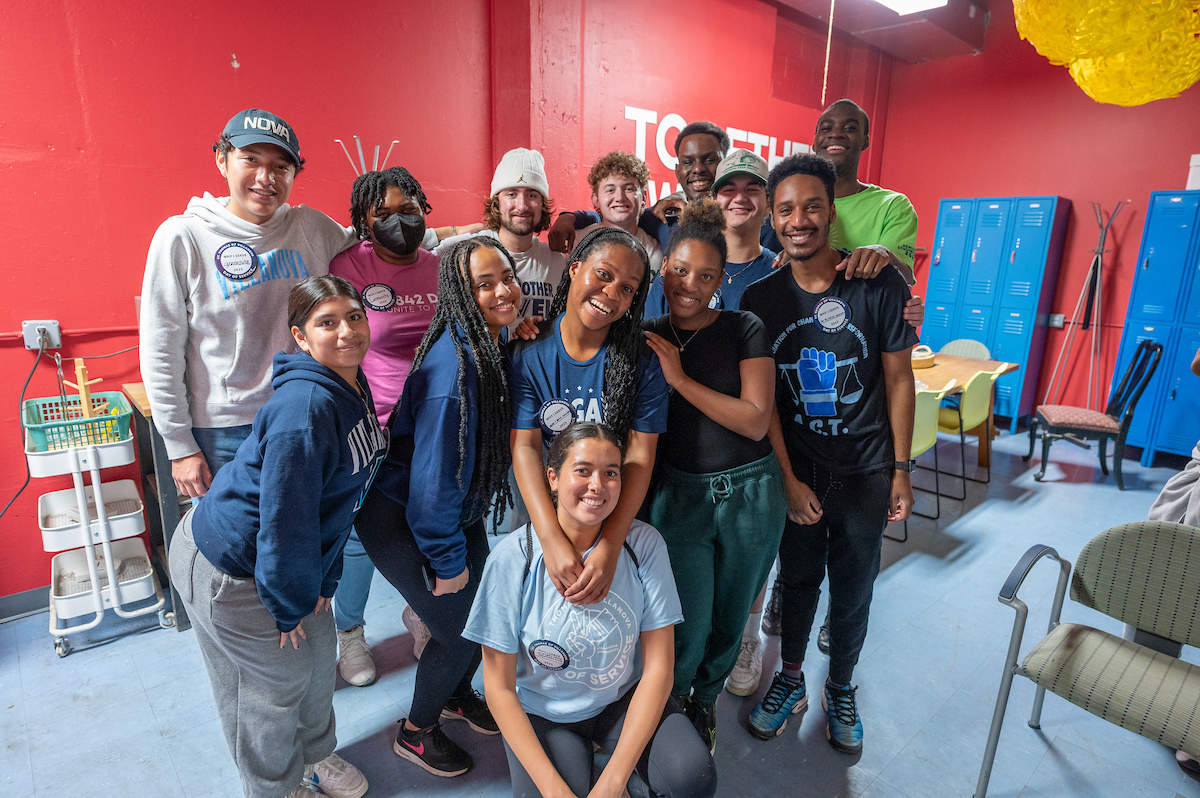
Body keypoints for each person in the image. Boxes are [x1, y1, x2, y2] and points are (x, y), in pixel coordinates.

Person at [167, 275, 387, 798]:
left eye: (354, 317)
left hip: (284, 558)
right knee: (271, 689)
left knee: (317, 664)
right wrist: (289, 606)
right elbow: (286, 524)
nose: (347, 331)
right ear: (301, 337)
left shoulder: (350, 382)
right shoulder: (304, 410)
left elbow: (338, 501)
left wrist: (325, 579)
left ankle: (314, 756)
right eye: (327, 322)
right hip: (229, 567)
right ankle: (275, 788)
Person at [739, 153, 916, 754]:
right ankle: (790, 680)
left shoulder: (877, 284)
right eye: (786, 209)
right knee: (797, 582)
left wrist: (900, 470)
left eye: (812, 206)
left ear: (831, 211)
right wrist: (787, 479)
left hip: (866, 470)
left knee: (854, 587)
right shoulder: (762, 299)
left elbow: (899, 379)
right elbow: (764, 402)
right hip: (800, 470)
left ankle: (841, 685)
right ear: (772, 217)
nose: (799, 220)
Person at [464, 422, 717, 798]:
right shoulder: (513, 559)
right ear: (552, 478)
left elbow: (659, 669)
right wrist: (553, 789)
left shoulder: (644, 545)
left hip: (620, 700)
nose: (597, 485)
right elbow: (498, 688)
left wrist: (614, 781)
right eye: (582, 470)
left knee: (693, 777)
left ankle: (636, 780)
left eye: (611, 473)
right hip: (546, 712)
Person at [355, 236, 519, 777]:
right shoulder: (454, 374)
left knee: (480, 613)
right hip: (405, 517)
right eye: (484, 284)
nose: (503, 290)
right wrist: (447, 563)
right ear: (458, 294)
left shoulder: (485, 340)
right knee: (462, 629)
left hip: (454, 510)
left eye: (507, 277)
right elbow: (431, 490)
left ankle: (453, 695)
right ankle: (417, 733)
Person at [141, 108, 356, 500]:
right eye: (251, 159)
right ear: (222, 161)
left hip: (305, 411)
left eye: (280, 166)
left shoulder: (309, 227)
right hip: (224, 431)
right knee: (235, 536)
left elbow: (378, 244)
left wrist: (459, 234)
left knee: (306, 529)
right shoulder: (183, 237)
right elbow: (160, 348)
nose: (265, 177)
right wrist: (180, 445)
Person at [641, 200, 785, 752]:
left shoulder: (743, 327)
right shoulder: (645, 334)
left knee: (730, 618)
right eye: (680, 270)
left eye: (706, 275)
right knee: (686, 621)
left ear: (721, 279)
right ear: (664, 270)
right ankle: (672, 706)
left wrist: (679, 379)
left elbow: (755, 420)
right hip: (679, 496)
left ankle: (704, 703)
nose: (690, 284)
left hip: (751, 491)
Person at [509, 227, 668, 608]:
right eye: (603, 274)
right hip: (551, 513)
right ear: (575, 267)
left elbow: (639, 457)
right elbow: (526, 447)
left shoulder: (641, 363)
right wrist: (550, 539)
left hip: (617, 516)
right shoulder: (529, 353)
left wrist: (610, 546)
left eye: (627, 288)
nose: (611, 293)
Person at [327, 166, 441, 686]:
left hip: (435, 423)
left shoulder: (440, 268)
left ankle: (421, 612)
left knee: (427, 524)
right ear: (364, 221)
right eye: (385, 213)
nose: (399, 220)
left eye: (409, 209)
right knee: (359, 540)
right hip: (375, 426)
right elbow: (336, 344)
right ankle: (350, 632)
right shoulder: (349, 266)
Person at [762, 99, 918, 286]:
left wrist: (886, 255)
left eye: (850, 128)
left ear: (865, 140)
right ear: (814, 142)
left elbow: (905, 278)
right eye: (826, 129)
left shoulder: (892, 205)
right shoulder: (784, 206)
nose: (836, 134)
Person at [548, 121, 731, 254]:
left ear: (725, 163)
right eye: (688, 162)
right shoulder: (660, 218)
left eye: (709, 160)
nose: (698, 169)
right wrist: (571, 218)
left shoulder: (743, 218)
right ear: (678, 170)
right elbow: (616, 217)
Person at [435, 147, 566, 328]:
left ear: (542, 203)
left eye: (532, 195)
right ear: (497, 201)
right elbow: (408, 253)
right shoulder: (466, 249)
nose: (522, 205)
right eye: (512, 194)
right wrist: (453, 230)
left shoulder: (556, 261)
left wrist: (571, 217)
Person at [644, 148, 775, 317]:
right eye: (729, 189)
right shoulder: (681, 263)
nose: (740, 198)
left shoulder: (779, 273)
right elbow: (649, 327)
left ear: (768, 204)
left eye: (752, 189)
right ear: (714, 201)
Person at [577, 151, 664, 276]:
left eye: (629, 189)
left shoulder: (658, 253)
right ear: (596, 199)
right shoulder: (576, 243)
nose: (620, 198)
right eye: (610, 190)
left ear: (644, 198)